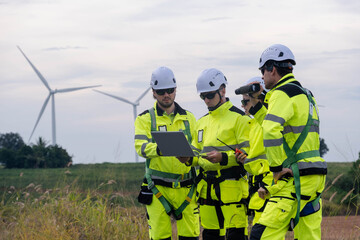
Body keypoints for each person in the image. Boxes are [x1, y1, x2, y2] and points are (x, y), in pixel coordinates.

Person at [247, 44, 327, 240]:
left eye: (262, 71)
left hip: (296, 177)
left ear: (272, 69)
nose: (262, 77)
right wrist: (257, 109)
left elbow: (271, 129)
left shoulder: (281, 93)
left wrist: (275, 168)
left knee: (261, 235)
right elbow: (290, 133)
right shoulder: (306, 94)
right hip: (315, 176)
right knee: (308, 236)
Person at [179, 68, 251, 240]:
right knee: (210, 236)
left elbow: (248, 154)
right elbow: (196, 151)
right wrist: (189, 159)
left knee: (236, 236)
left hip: (232, 189)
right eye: (202, 96)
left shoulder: (240, 118)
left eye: (209, 95)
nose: (206, 100)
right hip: (206, 190)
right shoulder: (202, 121)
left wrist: (223, 158)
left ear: (222, 90)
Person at [135, 66, 200, 240]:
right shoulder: (144, 119)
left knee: (191, 236)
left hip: (186, 189)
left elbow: (199, 148)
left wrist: (190, 157)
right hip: (158, 190)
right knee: (159, 237)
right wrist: (159, 148)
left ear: (175, 90)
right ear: (154, 92)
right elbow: (140, 146)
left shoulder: (189, 118)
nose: (166, 95)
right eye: (161, 91)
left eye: (170, 90)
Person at [236, 77, 274, 227]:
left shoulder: (268, 124)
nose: (243, 105)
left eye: (246, 101)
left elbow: (279, 157)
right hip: (259, 190)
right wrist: (245, 160)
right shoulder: (254, 124)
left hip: (267, 189)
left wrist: (267, 185)